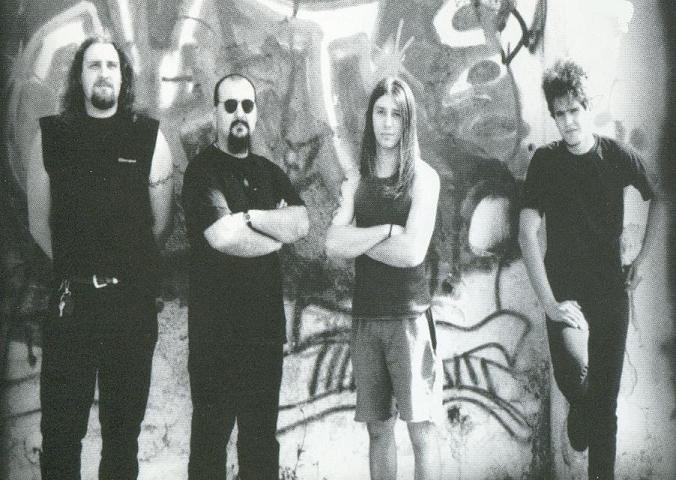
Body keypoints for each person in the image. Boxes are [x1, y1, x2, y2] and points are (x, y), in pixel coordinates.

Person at [26, 35, 174, 479]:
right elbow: (38, 224)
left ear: (123, 78)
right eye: (94, 65)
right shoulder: (50, 137)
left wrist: (119, 272)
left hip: (130, 310)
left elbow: (159, 223)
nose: (104, 73)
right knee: (60, 437)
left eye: (112, 65)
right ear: (79, 76)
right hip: (71, 308)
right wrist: (78, 270)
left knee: (121, 438)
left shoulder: (149, 138)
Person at [519, 60, 661, 479]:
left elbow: (660, 197)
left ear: (587, 106)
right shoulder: (545, 162)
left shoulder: (615, 156)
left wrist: (643, 260)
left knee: (606, 406)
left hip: (611, 295)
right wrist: (549, 304)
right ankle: (577, 427)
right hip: (565, 297)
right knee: (579, 384)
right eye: (559, 114)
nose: (568, 121)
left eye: (574, 110)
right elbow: (527, 234)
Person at [182, 74, 309, 480]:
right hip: (214, 336)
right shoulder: (201, 172)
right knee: (209, 444)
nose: (240, 114)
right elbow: (224, 237)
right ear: (215, 114)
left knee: (260, 444)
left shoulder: (269, 171)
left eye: (247, 106)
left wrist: (250, 217)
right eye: (230, 105)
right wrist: (274, 232)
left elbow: (301, 222)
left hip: (264, 333)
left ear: (255, 114)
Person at [325, 76, 442, 480]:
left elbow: (412, 253)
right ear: (370, 116)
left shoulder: (424, 178)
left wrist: (357, 240)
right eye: (380, 112)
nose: (388, 123)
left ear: (408, 121)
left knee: (421, 431)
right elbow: (332, 244)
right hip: (367, 319)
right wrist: (386, 231)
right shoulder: (357, 179)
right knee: (378, 432)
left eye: (397, 114)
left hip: (409, 319)